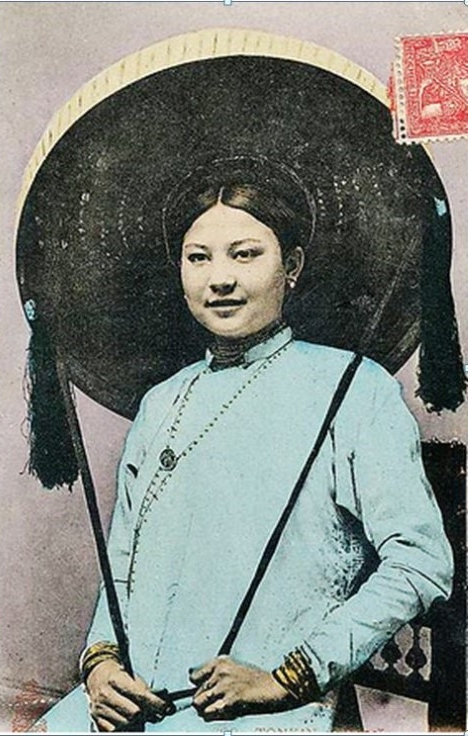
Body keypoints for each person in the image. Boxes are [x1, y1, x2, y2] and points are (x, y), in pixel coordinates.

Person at [40, 156, 453, 733]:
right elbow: (125, 567)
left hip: (272, 711)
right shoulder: (162, 403)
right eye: (198, 257)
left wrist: (291, 677)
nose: (220, 279)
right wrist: (102, 663)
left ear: (292, 266)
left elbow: (421, 562)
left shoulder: (355, 390)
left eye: (245, 254)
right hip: (137, 707)